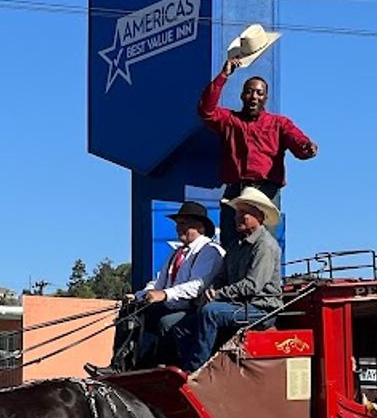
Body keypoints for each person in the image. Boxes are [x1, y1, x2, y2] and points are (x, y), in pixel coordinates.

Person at [198, 30, 317, 250]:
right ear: (242, 95)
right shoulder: (230, 120)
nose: (254, 96)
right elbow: (206, 111)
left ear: (266, 97)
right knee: (231, 246)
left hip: (266, 192)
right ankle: (232, 281)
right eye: (250, 92)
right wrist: (223, 76)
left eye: (259, 93)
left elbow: (299, 144)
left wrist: (307, 147)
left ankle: (263, 283)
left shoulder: (279, 123)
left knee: (263, 246)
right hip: (236, 190)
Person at [173, 187, 284, 373]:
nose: (237, 217)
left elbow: (252, 286)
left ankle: (196, 371)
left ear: (259, 217)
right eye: (237, 213)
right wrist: (213, 289)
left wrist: (217, 294)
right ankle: (188, 367)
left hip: (261, 308)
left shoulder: (265, 245)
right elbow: (222, 277)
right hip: (238, 305)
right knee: (182, 325)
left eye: (244, 213)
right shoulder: (235, 245)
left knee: (210, 312)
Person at [127, 201, 225, 367]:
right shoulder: (177, 253)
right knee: (131, 312)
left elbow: (197, 285)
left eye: (184, 224)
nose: (179, 228)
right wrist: (139, 296)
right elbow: (159, 282)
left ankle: (164, 368)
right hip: (173, 305)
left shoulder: (210, 250)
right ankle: (123, 365)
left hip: (194, 307)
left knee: (166, 323)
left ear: (200, 227)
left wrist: (165, 294)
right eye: (178, 224)